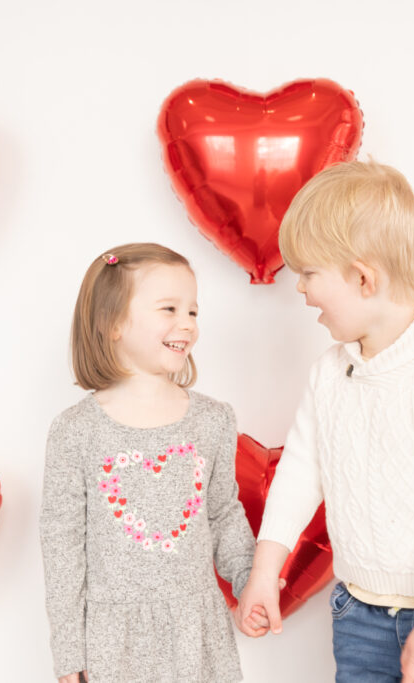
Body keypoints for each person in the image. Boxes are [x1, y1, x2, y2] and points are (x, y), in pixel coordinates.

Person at [237, 162, 414, 682]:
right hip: (359, 617)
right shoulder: (328, 376)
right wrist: (265, 572)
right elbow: (298, 477)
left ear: (363, 278)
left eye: (309, 274)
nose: (300, 290)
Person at [40, 243, 258, 683]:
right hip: (113, 642)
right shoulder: (75, 431)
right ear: (114, 322)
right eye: (169, 309)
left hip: (198, 633)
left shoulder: (212, 421)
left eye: (193, 312)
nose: (187, 325)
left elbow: (223, 513)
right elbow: (61, 548)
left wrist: (249, 581)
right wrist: (68, 652)